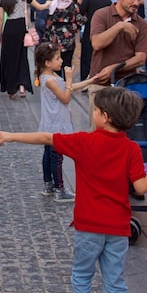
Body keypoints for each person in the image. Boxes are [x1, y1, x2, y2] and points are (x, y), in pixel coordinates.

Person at [0, 87, 147, 293]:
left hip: (88, 226)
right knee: (115, 282)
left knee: (82, 275)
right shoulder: (131, 148)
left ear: (105, 116)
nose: (93, 114)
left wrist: (10, 136)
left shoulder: (84, 142)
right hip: (117, 228)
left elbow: (45, 137)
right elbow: (141, 186)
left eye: (96, 110)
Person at [32, 43, 97, 202]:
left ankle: (49, 185)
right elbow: (66, 97)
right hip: (56, 124)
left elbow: (69, 88)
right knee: (56, 156)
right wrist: (69, 78)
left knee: (49, 154)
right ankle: (59, 188)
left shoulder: (50, 77)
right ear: (47, 63)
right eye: (57, 58)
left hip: (51, 123)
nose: (61, 61)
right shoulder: (50, 80)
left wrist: (89, 82)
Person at [87, 0, 147, 98]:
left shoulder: (141, 24)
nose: (136, 3)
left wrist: (115, 68)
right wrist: (119, 26)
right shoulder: (101, 15)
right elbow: (96, 43)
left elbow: (141, 58)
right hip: (100, 85)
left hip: (127, 86)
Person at [0, 0, 34, 99]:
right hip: (21, 28)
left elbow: (1, 18)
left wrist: (0, 33)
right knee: (21, 56)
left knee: (9, 58)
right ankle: (22, 87)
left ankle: (11, 88)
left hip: (10, 28)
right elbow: (29, 12)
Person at [40, 0, 86, 74]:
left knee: (55, 63)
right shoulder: (73, 6)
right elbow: (80, 21)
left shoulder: (52, 5)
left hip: (54, 39)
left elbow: (48, 24)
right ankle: (67, 84)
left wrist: (46, 39)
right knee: (67, 63)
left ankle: (57, 84)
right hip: (68, 39)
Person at [78, 0, 112, 81]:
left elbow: (81, 11)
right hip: (103, 29)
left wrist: (79, 3)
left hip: (90, 28)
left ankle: (85, 77)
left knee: (87, 54)